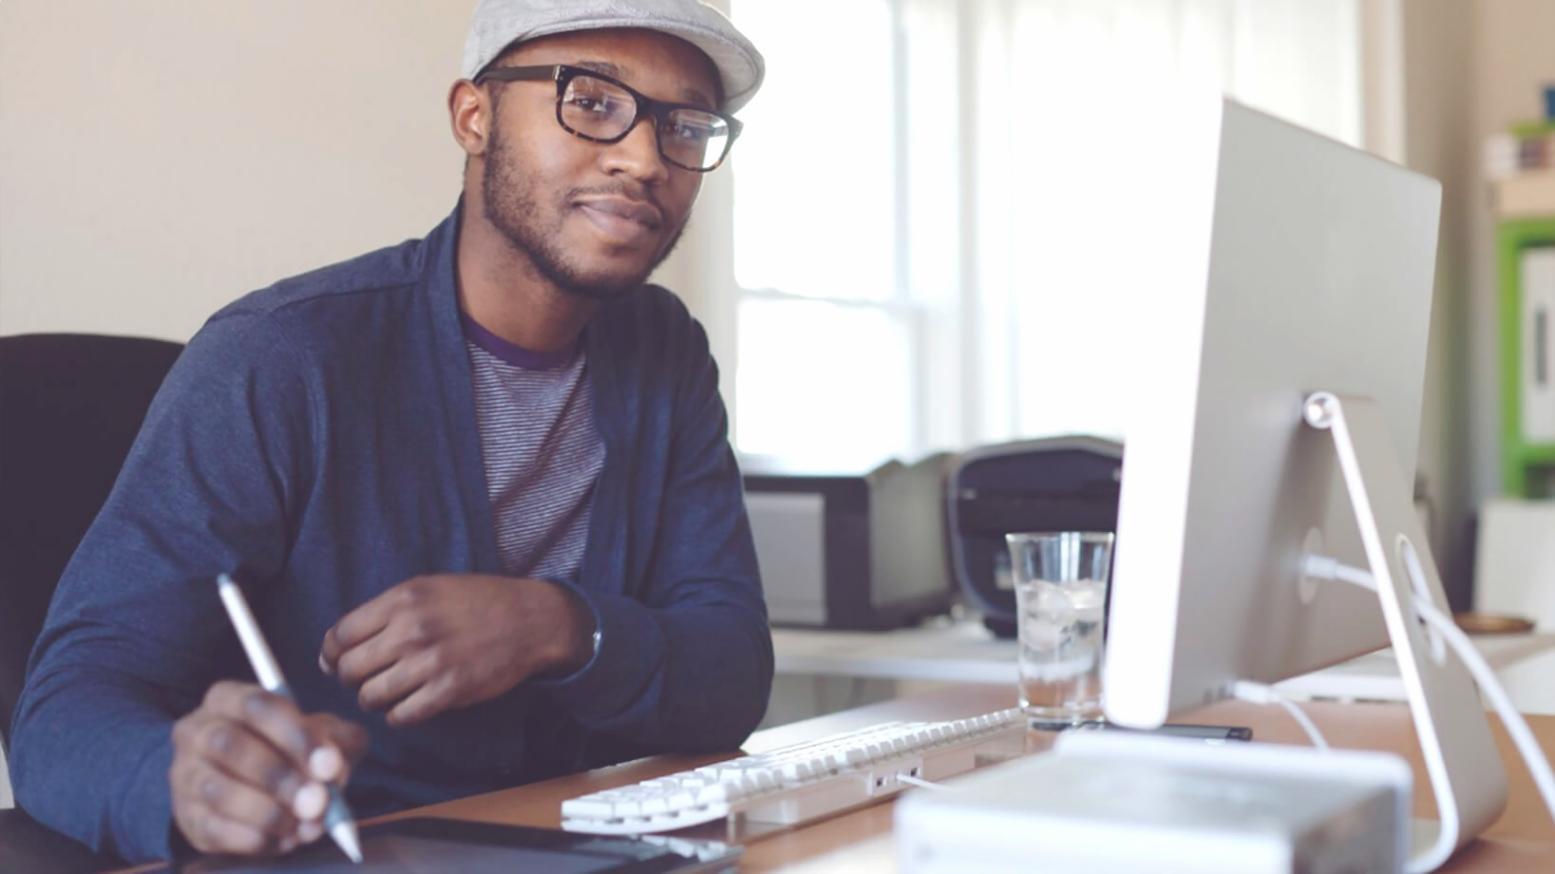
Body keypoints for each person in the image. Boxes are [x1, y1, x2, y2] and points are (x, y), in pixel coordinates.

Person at [10, 0, 772, 863]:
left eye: (684, 126)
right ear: (474, 116)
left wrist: (556, 627)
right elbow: (65, 708)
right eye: (591, 102)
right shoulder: (280, 355)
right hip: (347, 850)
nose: (643, 159)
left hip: (578, 842)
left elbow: (731, 671)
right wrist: (178, 783)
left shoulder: (663, 352)